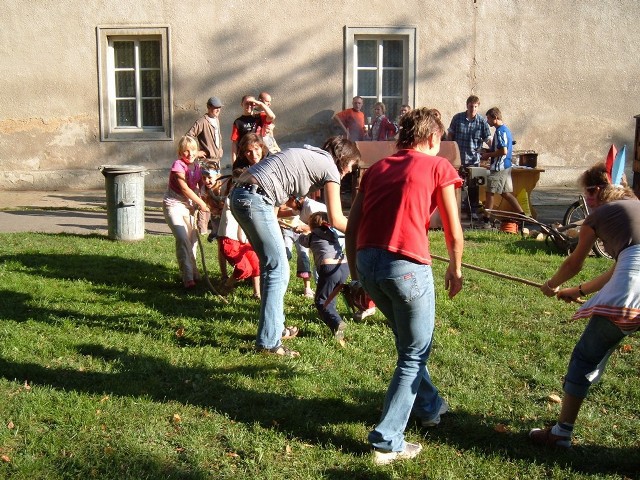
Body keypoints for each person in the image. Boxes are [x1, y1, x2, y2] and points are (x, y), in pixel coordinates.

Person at [345, 108, 464, 465]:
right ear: (433, 137)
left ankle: (429, 407)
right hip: (406, 269)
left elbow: (352, 227)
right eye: (440, 138)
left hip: (369, 265)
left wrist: (356, 276)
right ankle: (387, 441)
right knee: (414, 353)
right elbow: (453, 228)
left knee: (408, 343)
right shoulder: (439, 166)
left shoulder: (377, 168)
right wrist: (456, 268)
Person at [531, 163, 640, 449]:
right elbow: (618, 269)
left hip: (629, 294)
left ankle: (560, 433)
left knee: (584, 358)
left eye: (588, 193)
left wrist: (552, 284)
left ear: (598, 190)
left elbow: (574, 263)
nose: (587, 201)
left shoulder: (600, 215)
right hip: (629, 285)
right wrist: (577, 291)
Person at [229, 136, 361, 357]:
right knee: (278, 269)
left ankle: (275, 328)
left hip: (241, 195)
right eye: (351, 166)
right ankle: (268, 344)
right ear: (343, 158)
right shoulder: (329, 166)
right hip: (255, 198)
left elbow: (277, 193)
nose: (349, 171)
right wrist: (365, 232)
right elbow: (337, 219)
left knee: (274, 268)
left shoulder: (311, 155)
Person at [163, 135, 211, 289]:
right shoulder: (178, 165)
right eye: (186, 151)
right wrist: (201, 203)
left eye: (193, 150)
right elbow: (184, 188)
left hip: (188, 207)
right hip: (173, 205)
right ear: (180, 152)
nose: (190, 154)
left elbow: (201, 185)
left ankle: (194, 272)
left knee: (193, 240)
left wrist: (208, 194)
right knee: (183, 238)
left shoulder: (196, 167)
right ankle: (187, 277)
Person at [299, 212, 350, 341]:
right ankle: (337, 331)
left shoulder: (312, 236)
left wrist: (301, 232)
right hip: (344, 267)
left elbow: (303, 241)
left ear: (312, 225)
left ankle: (337, 322)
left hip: (329, 268)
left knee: (321, 301)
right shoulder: (332, 233)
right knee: (330, 297)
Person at [479, 107, 525, 228]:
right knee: (506, 194)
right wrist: (488, 150)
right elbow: (501, 148)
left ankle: (486, 221)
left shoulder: (500, 131)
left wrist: (488, 155)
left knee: (490, 193)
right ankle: (523, 216)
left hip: (499, 168)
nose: (487, 121)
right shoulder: (506, 130)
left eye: (488, 118)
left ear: (495, 118)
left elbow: (503, 151)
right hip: (506, 167)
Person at [448, 95, 491, 220]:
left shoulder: (482, 122)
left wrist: (496, 150)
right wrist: (450, 151)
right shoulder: (457, 118)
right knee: (456, 186)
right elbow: (450, 135)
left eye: (475, 107)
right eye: (471, 106)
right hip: (458, 160)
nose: (473, 109)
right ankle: (455, 210)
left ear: (478, 107)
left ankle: (473, 211)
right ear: (467, 106)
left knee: (474, 188)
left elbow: (488, 139)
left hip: (474, 160)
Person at [230, 95, 275, 163]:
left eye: (251, 104)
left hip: (259, 154)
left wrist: (260, 104)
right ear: (242, 104)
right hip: (246, 155)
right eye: (246, 103)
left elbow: (272, 116)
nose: (249, 106)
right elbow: (234, 143)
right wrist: (234, 161)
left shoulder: (259, 117)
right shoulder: (238, 122)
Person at [187, 96, 224, 162]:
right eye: (215, 107)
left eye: (219, 107)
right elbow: (188, 137)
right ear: (209, 107)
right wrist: (196, 152)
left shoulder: (216, 120)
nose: (218, 110)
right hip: (206, 161)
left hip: (217, 160)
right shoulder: (202, 121)